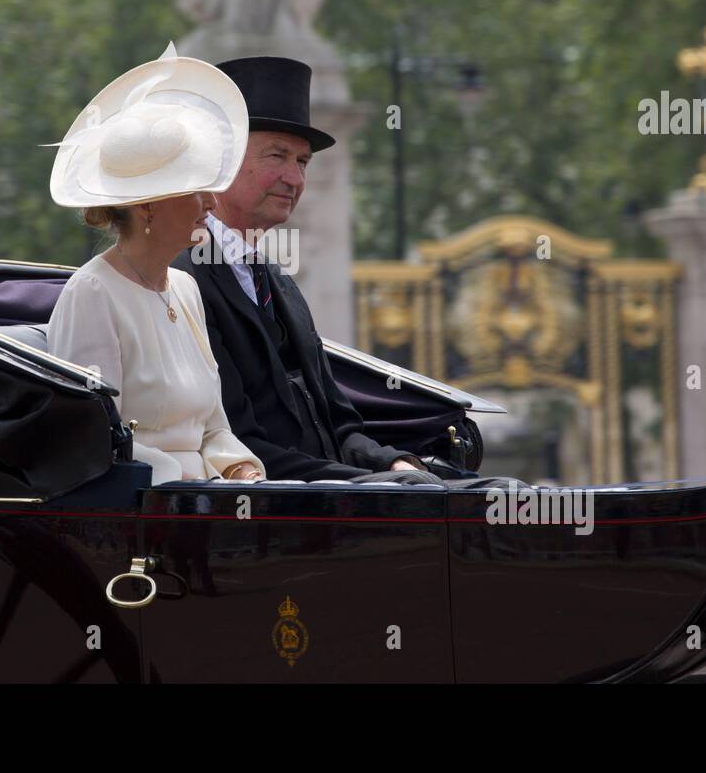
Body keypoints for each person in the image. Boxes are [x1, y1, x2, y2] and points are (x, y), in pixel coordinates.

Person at [173, 56, 483, 485]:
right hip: (273, 501)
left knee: (502, 494)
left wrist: (392, 464)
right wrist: (360, 482)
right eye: (278, 155)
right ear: (220, 161)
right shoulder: (184, 278)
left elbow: (339, 427)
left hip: (328, 489)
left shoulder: (278, 283)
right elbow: (234, 440)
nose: (294, 178)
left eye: (302, 162)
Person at [46, 43, 267, 486]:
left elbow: (213, 428)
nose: (211, 201)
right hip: (145, 516)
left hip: (205, 503)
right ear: (147, 207)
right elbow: (94, 441)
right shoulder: (93, 294)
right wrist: (195, 482)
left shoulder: (185, 287)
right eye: (196, 187)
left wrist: (241, 471)